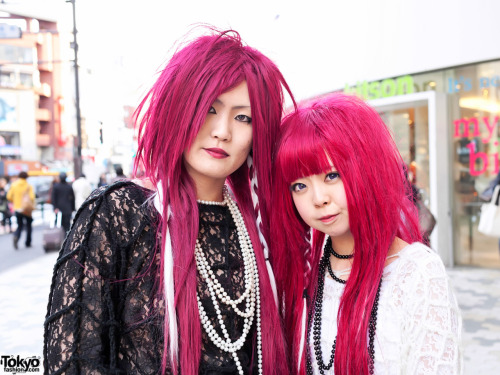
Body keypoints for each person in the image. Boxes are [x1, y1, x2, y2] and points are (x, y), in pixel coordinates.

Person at [44, 29, 294, 375]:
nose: (223, 131)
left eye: (243, 117)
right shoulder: (121, 213)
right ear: (180, 106)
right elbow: (72, 360)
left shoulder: (260, 226)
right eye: (209, 108)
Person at [272, 93, 462, 374]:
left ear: (366, 169)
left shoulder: (417, 273)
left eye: (331, 175)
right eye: (299, 185)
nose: (318, 198)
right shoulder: (306, 269)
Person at [7, 171, 35, 249]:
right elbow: (32, 197)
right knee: (29, 225)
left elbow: (9, 196)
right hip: (26, 209)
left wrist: (15, 201)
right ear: (26, 177)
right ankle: (28, 242)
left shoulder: (14, 185)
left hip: (17, 208)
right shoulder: (28, 186)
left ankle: (16, 236)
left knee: (20, 225)